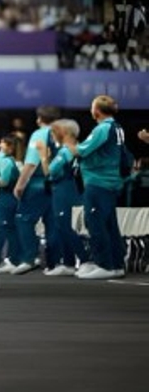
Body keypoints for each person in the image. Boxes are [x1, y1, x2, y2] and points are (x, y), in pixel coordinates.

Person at [66, 95, 127, 280]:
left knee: (96, 224)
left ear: (96, 111)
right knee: (110, 225)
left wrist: (68, 142)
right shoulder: (117, 127)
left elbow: (82, 150)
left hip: (98, 181)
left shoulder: (103, 128)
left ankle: (104, 264)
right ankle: (116, 265)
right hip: (110, 181)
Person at [11, 106, 61, 275]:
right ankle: (54, 263)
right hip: (57, 184)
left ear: (39, 119)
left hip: (37, 184)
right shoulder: (62, 133)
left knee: (23, 220)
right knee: (53, 224)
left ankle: (29, 258)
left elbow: (32, 163)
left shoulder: (39, 134)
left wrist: (20, 185)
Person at [45, 118, 86, 276]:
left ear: (66, 133)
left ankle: (84, 259)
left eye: (55, 131)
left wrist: (44, 157)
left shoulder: (66, 151)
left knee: (67, 225)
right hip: (63, 189)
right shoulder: (68, 149)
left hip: (66, 189)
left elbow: (52, 171)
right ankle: (68, 262)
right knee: (61, 226)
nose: (52, 135)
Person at [0, 134, 25, 273]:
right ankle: (13, 259)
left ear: (10, 147)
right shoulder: (2, 158)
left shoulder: (7, 161)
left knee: (2, 229)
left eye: (3, 143)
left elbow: (4, 181)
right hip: (7, 198)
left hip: (6, 198)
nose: (0, 145)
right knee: (9, 229)